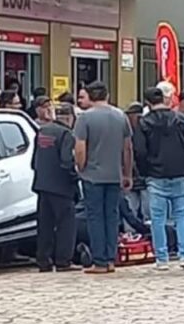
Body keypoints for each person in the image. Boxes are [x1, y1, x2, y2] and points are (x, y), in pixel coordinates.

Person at [134, 86, 184, 271]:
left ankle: (161, 258)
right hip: (181, 173)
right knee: (182, 215)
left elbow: (140, 150)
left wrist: (145, 171)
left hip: (156, 175)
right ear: (165, 99)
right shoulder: (181, 119)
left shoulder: (144, 123)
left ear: (147, 103)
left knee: (157, 218)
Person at [74, 81, 133, 274]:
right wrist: (127, 173)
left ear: (90, 97)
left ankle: (99, 261)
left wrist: (80, 167)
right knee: (112, 216)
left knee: (95, 218)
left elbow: (80, 147)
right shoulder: (120, 116)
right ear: (107, 95)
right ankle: (110, 259)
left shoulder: (85, 119)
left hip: (92, 175)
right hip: (114, 175)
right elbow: (127, 148)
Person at [31, 100, 79, 272]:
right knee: (66, 224)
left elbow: (34, 160)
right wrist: (75, 177)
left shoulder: (43, 131)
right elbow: (67, 161)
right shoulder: (66, 134)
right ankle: (63, 260)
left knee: (45, 225)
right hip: (61, 186)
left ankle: (43, 260)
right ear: (69, 118)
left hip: (42, 184)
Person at [125, 102, 149, 221]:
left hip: (136, 174)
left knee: (132, 209)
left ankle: (132, 233)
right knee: (145, 210)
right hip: (140, 174)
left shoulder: (132, 131)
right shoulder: (146, 129)